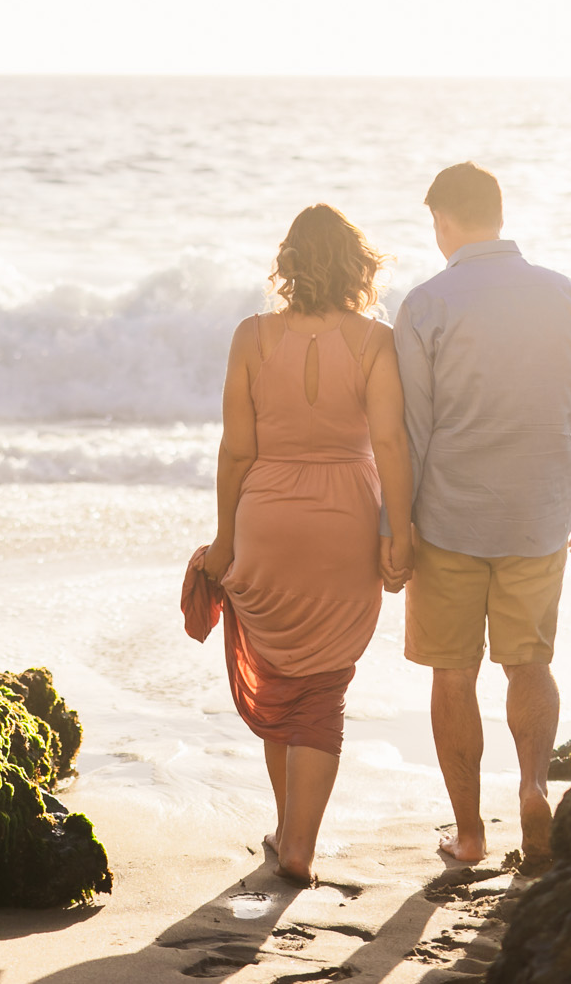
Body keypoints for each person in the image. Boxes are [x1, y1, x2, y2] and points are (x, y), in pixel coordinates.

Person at [395, 162, 571, 874]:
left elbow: (410, 429)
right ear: (498, 213)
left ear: (443, 223)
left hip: (448, 520)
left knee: (454, 675)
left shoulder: (427, 304)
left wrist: (393, 524)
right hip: (538, 515)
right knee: (530, 663)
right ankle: (531, 788)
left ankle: (468, 834)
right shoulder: (568, 296)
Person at [193, 204, 416, 885]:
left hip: (267, 515)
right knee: (323, 687)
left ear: (288, 264)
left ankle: (288, 822)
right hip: (346, 517)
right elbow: (390, 444)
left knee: (281, 671)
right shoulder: (375, 342)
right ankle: (299, 843)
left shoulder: (251, 336)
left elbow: (236, 450)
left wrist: (226, 539)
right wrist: (398, 534)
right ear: (360, 266)